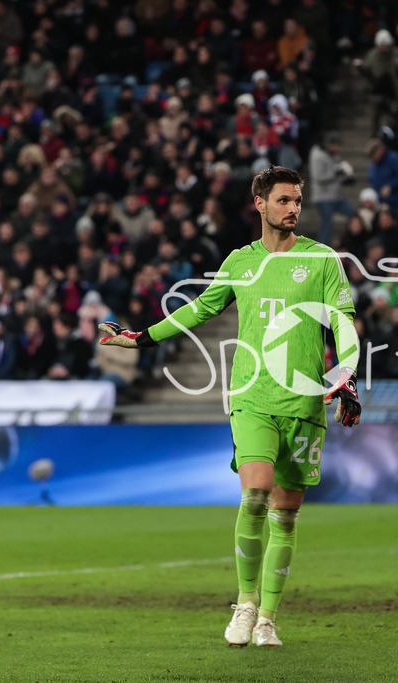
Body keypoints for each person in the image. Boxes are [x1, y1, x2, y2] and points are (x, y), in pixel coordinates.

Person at [99, 166, 361, 647]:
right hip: (252, 397)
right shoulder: (241, 262)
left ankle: (268, 618)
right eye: (284, 200)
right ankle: (244, 604)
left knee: (287, 512)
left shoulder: (323, 259)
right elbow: (200, 308)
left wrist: (346, 371)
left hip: (303, 402)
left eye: (297, 200)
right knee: (256, 495)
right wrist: (145, 337)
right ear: (259, 203)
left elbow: (341, 320)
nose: (294, 208)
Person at [308, 131, 355, 246]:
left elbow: (339, 168)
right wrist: (336, 173)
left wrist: (346, 177)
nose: (338, 148)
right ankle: (322, 253)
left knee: (354, 214)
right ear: (329, 144)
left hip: (336, 197)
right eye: (337, 145)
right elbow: (318, 176)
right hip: (323, 198)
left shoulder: (333, 154)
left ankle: (348, 243)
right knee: (327, 225)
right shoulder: (317, 155)